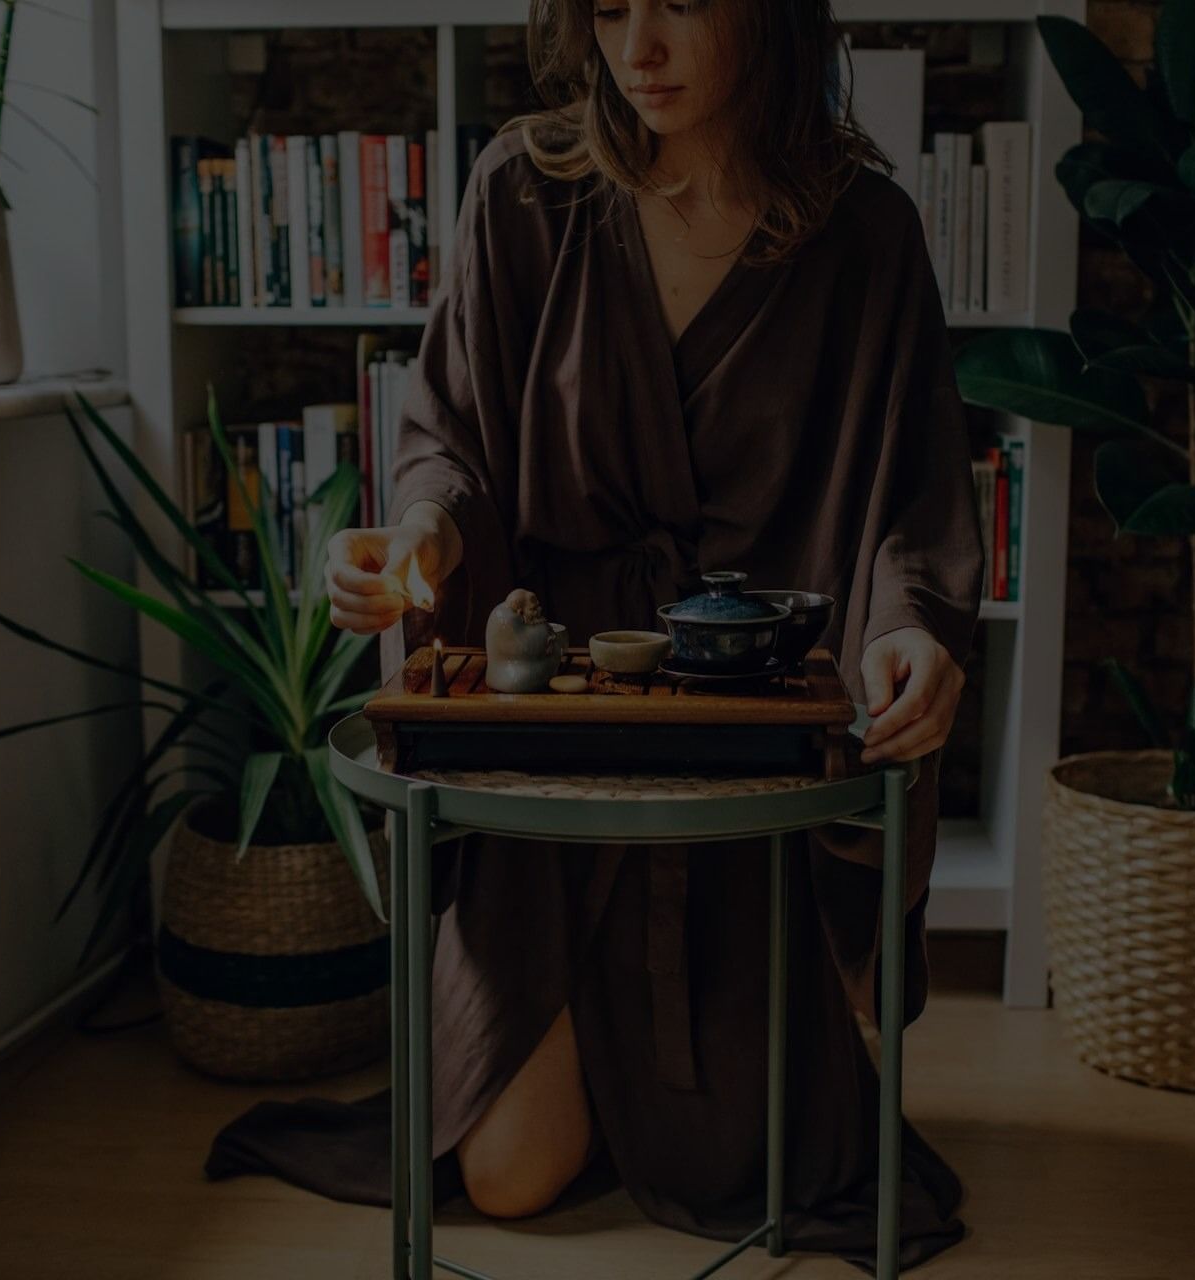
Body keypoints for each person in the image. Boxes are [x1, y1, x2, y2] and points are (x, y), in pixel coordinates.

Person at [207, 2, 985, 1272]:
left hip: (744, 739)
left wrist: (911, 631)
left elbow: (914, 500)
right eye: (611, 10)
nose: (641, 51)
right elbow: (446, 439)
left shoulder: (865, 232)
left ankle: (709, 1059)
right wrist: (419, 542)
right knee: (510, 1175)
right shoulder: (526, 188)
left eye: (680, 4)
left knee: (759, 1166)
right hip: (550, 726)